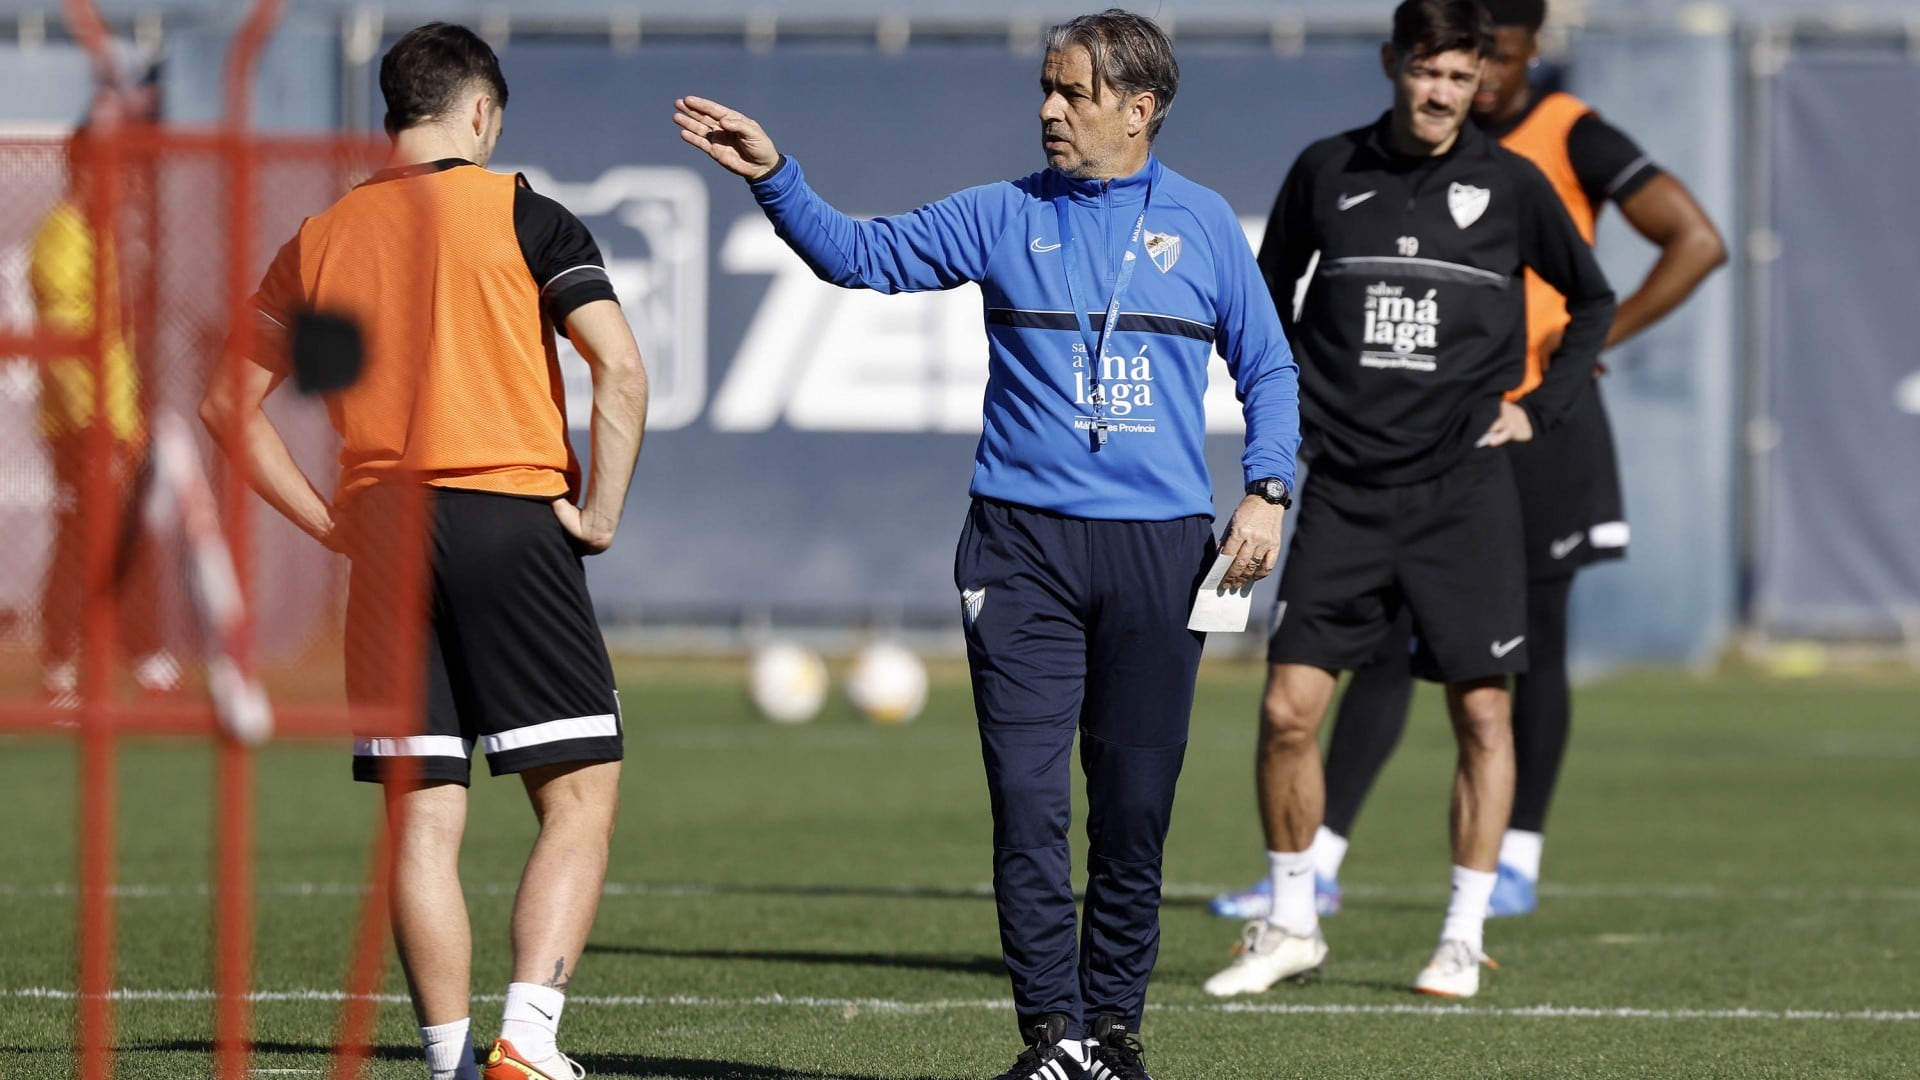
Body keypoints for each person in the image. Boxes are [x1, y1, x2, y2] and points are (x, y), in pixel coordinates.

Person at [677, 10, 1299, 1078]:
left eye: (1075, 94)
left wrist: (1268, 488)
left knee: (1136, 812)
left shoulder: (1202, 228)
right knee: (1025, 804)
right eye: (1045, 91)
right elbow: (858, 256)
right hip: (1020, 554)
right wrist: (774, 176)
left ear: (1140, 109)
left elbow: (1272, 370)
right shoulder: (1001, 213)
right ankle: (1051, 1039)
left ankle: (1113, 1037)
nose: (1051, 111)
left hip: (1161, 554)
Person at [1210, 0, 1726, 926]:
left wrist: (1575, 363)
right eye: (1443, 68)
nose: (1473, 86)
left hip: (1513, 435)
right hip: (1380, 449)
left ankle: (1511, 860)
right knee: (1361, 660)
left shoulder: (1566, 140)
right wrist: (1294, 407)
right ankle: (1314, 866)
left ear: (1515, 54)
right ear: (1402, 63)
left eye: (1486, 66)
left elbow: (1692, 245)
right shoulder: (1345, 165)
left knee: (1519, 656)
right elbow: (1270, 290)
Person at [199, 23, 648, 1080]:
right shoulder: (524, 213)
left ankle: (450, 1061)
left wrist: (329, 522)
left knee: (422, 813)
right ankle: (527, 1040)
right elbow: (618, 373)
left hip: (387, 531)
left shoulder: (323, 237)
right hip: (507, 513)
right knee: (578, 793)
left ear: (391, 117)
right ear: (481, 114)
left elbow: (228, 405)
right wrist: (602, 513)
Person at [31, 74, 182, 711]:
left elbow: (119, 340)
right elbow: (68, 351)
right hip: (82, 424)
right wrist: (100, 429)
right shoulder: (62, 240)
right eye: (110, 170)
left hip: (119, 418)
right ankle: (63, 665)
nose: (121, 184)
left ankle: (137, 656)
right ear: (82, 171)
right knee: (84, 539)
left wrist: (133, 417)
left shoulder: (109, 237)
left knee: (124, 537)